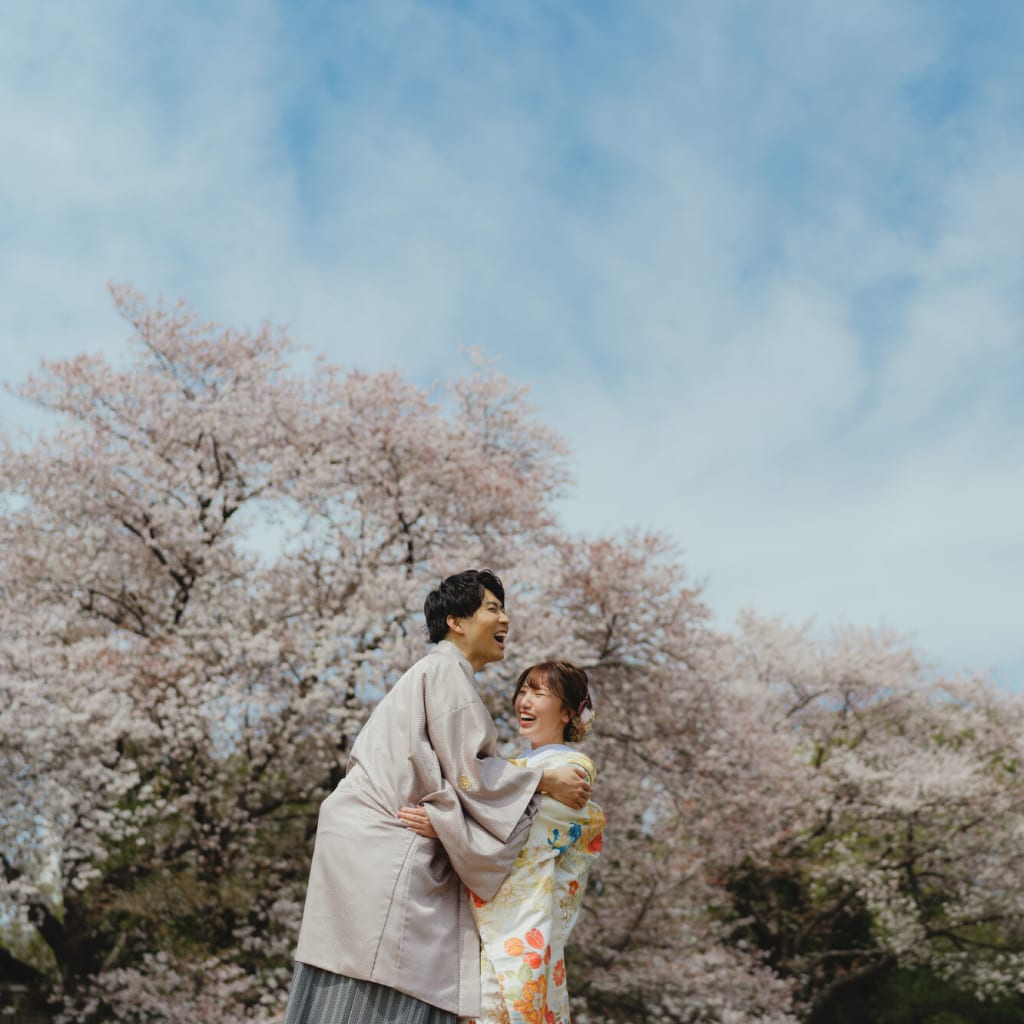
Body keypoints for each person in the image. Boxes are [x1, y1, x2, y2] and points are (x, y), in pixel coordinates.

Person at [282, 570, 592, 1024]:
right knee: (390, 988)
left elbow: (455, 778)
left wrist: (447, 824)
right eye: (493, 608)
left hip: (363, 842)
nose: (505, 618)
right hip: (388, 844)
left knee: (348, 989)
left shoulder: (433, 673)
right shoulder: (445, 671)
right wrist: (544, 783)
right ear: (456, 622)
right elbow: (470, 776)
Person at [400, 661, 605, 1024]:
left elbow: (525, 833)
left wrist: (448, 825)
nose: (524, 701)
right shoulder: (512, 767)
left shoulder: (574, 768)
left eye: (539, 693)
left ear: (569, 713)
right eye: (523, 690)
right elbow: (491, 805)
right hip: (484, 918)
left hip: (523, 919)